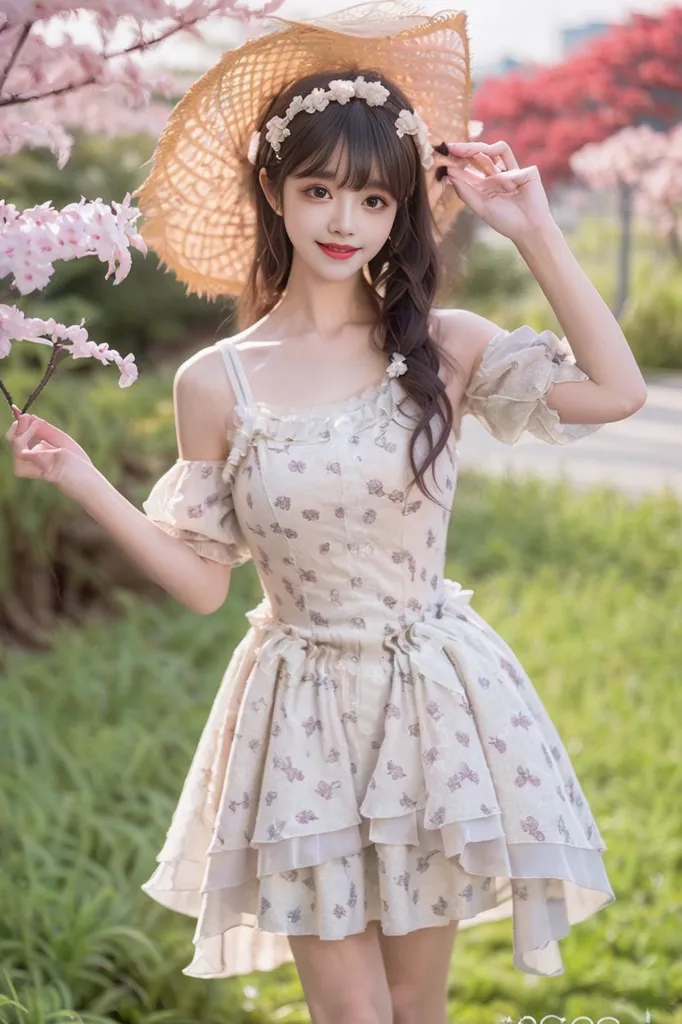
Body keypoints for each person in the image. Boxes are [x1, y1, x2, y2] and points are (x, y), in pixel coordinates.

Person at [5, 4, 647, 1021]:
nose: (344, 223)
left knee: (412, 1005)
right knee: (353, 1015)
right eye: (319, 192)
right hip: (298, 712)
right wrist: (87, 479)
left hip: (432, 700)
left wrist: (534, 232)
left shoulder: (441, 344)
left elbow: (617, 393)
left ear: (404, 211)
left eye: (373, 201)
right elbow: (203, 582)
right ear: (274, 189)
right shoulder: (217, 382)